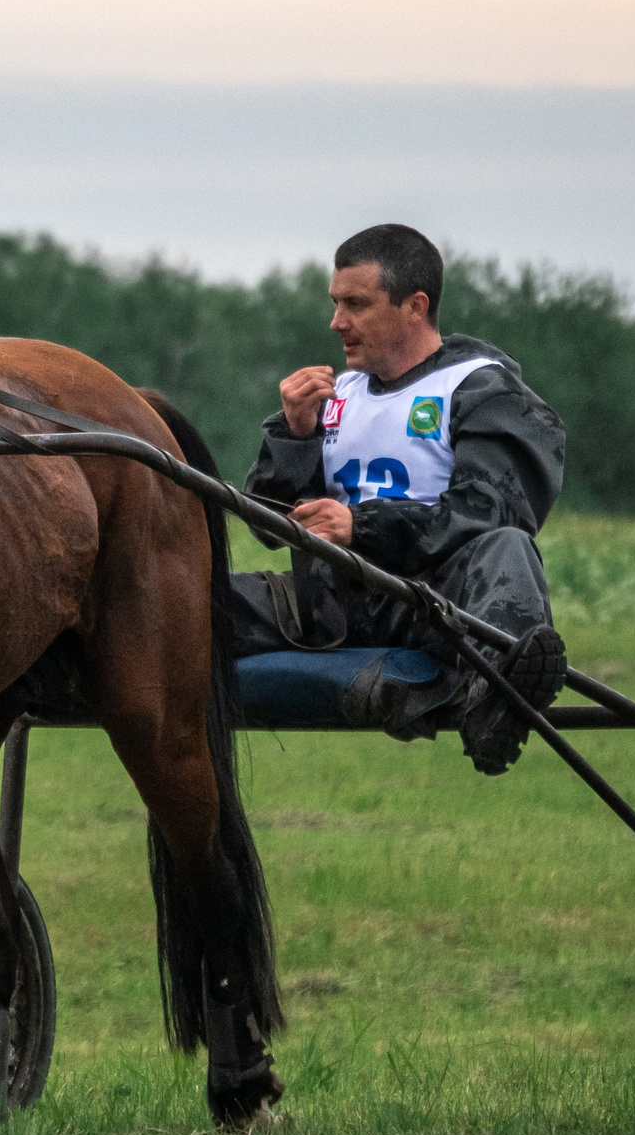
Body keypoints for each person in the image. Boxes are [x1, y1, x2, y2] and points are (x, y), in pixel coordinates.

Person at [229, 224, 568, 773]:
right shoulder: (331, 396)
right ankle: (86, 681)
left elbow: (489, 511)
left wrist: (360, 527)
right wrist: (295, 436)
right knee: (188, 591)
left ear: (415, 306)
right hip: (328, 605)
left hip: (436, 610)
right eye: (336, 303)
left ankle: (498, 699)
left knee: (507, 546)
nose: (337, 322)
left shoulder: (482, 390)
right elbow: (267, 527)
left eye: (357, 305)